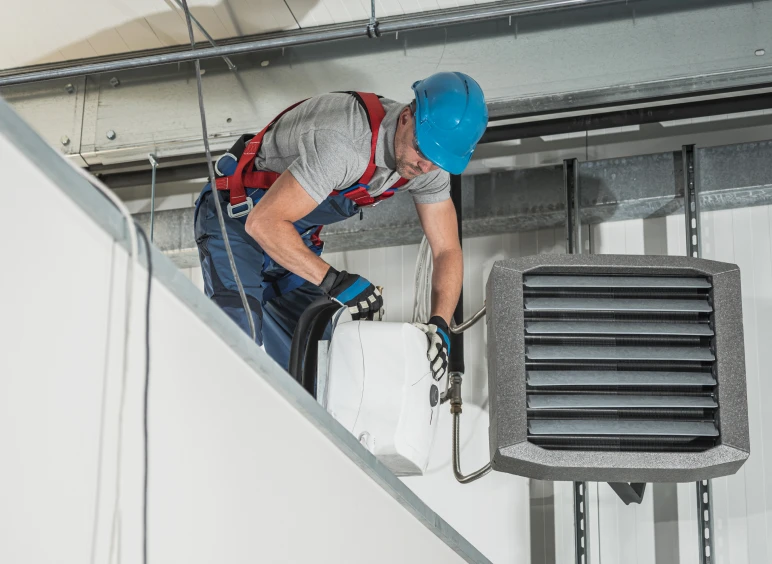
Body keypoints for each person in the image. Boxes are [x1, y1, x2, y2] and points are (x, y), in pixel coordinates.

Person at [194, 71, 488, 382]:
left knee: (323, 361)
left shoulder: (428, 165)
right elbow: (263, 223)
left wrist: (440, 325)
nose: (424, 166)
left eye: (437, 160)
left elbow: (446, 250)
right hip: (238, 219)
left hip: (290, 235)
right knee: (239, 339)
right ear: (406, 117)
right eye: (422, 150)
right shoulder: (345, 142)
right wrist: (334, 281)